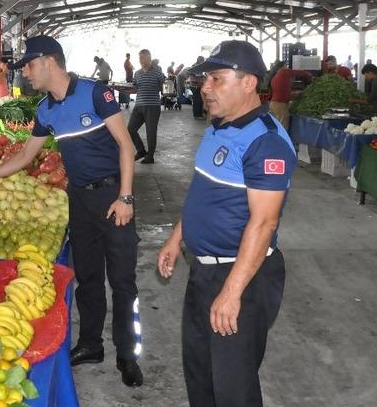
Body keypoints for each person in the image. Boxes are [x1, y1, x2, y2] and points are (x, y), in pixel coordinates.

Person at [0, 35, 144, 387]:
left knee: (122, 282)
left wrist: (126, 197)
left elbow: (126, 146)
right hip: (79, 201)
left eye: (29, 64)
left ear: (49, 62)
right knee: (86, 277)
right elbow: (25, 158)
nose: (25, 72)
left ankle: (128, 354)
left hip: (113, 196)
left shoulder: (95, 93)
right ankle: (90, 344)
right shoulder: (45, 110)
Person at [157, 40, 295, 407]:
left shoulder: (266, 142)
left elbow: (263, 224)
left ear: (248, 83)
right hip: (203, 271)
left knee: (233, 387)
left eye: (216, 79)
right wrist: (177, 237)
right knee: (200, 371)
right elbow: (203, 192)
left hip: (244, 276)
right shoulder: (218, 128)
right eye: (206, 79)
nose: (205, 87)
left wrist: (232, 293)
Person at [128, 49, 166, 164]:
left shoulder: (158, 72)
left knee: (151, 132)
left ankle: (150, 156)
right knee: (130, 129)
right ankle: (141, 151)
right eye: (140, 58)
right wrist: (123, 89)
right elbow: (134, 89)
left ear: (149, 58)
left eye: (143, 57)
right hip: (138, 105)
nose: (141, 60)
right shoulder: (137, 73)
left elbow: (164, 87)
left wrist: (166, 90)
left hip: (152, 106)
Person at [269, 64, 313, 130]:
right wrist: (308, 74)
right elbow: (298, 72)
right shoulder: (283, 72)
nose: (287, 68)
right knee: (283, 128)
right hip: (280, 105)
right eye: (285, 66)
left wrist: (296, 95)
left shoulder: (275, 78)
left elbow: (283, 93)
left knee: (276, 126)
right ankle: (282, 140)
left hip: (274, 104)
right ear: (281, 67)